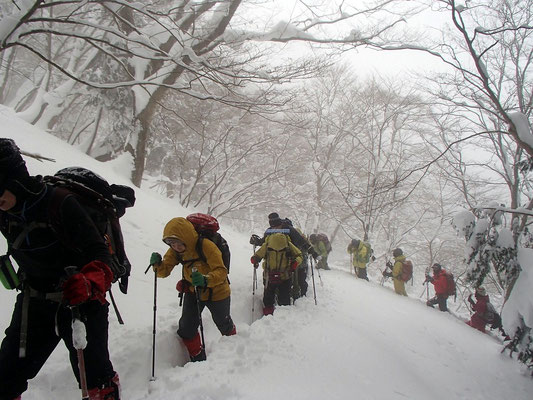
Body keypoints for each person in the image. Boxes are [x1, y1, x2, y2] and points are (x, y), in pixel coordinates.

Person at [0, 139, 120, 399]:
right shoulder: (5, 210)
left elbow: (100, 253)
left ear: (14, 181)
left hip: (81, 301)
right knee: (6, 375)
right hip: (34, 301)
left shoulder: (60, 202)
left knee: (96, 380)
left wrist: (89, 282)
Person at [150, 217, 235, 362]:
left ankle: (234, 351)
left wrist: (206, 279)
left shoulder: (206, 246)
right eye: (170, 243)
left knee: (223, 323)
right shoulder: (176, 250)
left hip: (218, 292)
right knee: (187, 327)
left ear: (186, 238)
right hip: (193, 290)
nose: (175, 247)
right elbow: (163, 272)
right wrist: (157, 265)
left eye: (177, 243)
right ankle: (197, 358)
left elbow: (222, 271)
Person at [251, 226, 303, 315]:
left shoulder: (267, 244)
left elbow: (257, 256)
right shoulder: (288, 243)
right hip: (285, 276)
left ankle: (268, 315)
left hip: (269, 276)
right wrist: (295, 264)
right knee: (284, 298)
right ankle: (284, 315)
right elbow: (299, 256)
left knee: (268, 299)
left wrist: (255, 259)